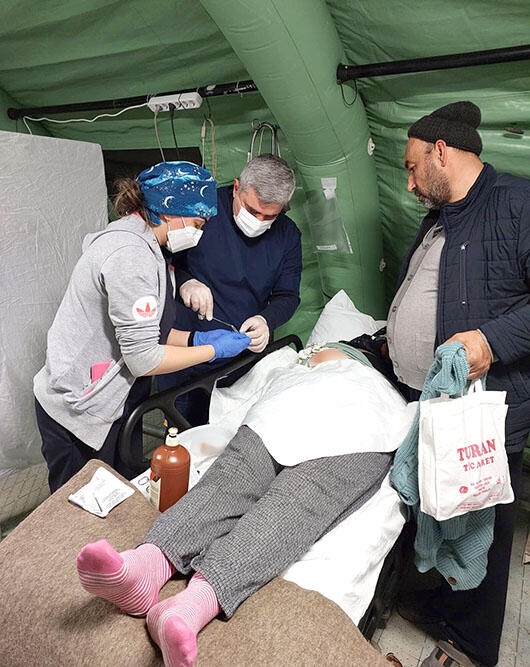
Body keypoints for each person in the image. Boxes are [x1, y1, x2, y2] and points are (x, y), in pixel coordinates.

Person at [76, 342, 411, 667]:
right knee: (235, 477)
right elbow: (308, 360)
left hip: (370, 415)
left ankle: (186, 607)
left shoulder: (403, 387)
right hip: (307, 394)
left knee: (290, 506)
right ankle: (145, 566)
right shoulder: (350, 348)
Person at [385, 101, 529, 667]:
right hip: (432, 401)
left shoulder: (517, 203)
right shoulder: (442, 217)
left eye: (411, 167)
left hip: (488, 409)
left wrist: (492, 341)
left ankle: (469, 647)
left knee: (481, 524)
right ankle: (440, 605)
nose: (409, 182)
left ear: (440, 152)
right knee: (440, 508)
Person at [34, 161, 251, 493]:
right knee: (79, 506)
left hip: (118, 396)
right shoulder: (130, 255)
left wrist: (195, 338)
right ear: (170, 211)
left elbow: (148, 333)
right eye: (197, 223)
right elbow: (144, 359)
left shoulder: (148, 244)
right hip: (80, 406)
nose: (200, 233)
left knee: (120, 493)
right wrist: (212, 351)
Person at [157, 153, 302, 424]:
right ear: (237, 188)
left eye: (270, 216)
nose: (259, 220)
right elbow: (161, 259)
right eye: (252, 210)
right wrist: (185, 281)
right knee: (183, 434)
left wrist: (266, 320)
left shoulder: (288, 235)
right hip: (186, 353)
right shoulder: (201, 208)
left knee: (230, 435)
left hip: (241, 362)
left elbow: (288, 295)